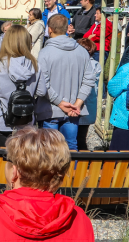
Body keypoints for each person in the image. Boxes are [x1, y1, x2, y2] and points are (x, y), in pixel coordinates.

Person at [35, 15, 98, 150]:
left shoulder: (45, 53)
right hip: (73, 111)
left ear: (49, 29)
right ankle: (73, 172)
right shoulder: (82, 51)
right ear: (66, 29)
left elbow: (43, 83)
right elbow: (89, 80)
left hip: (50, 110)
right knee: (71, 147)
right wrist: (77, 103)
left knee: (49, 150)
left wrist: (59, 102)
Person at [0, 25, 40, 148]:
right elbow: (41, 91)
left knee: (4, 157)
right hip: (26, 118)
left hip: (1, 118)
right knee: (23, 158)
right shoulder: (35, 65)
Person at [75, 38, 102, 150]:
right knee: (81, 137)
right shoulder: (96, 64)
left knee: (75, 138)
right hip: (89, 104)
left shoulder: (80, 64)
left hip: (77, 104)